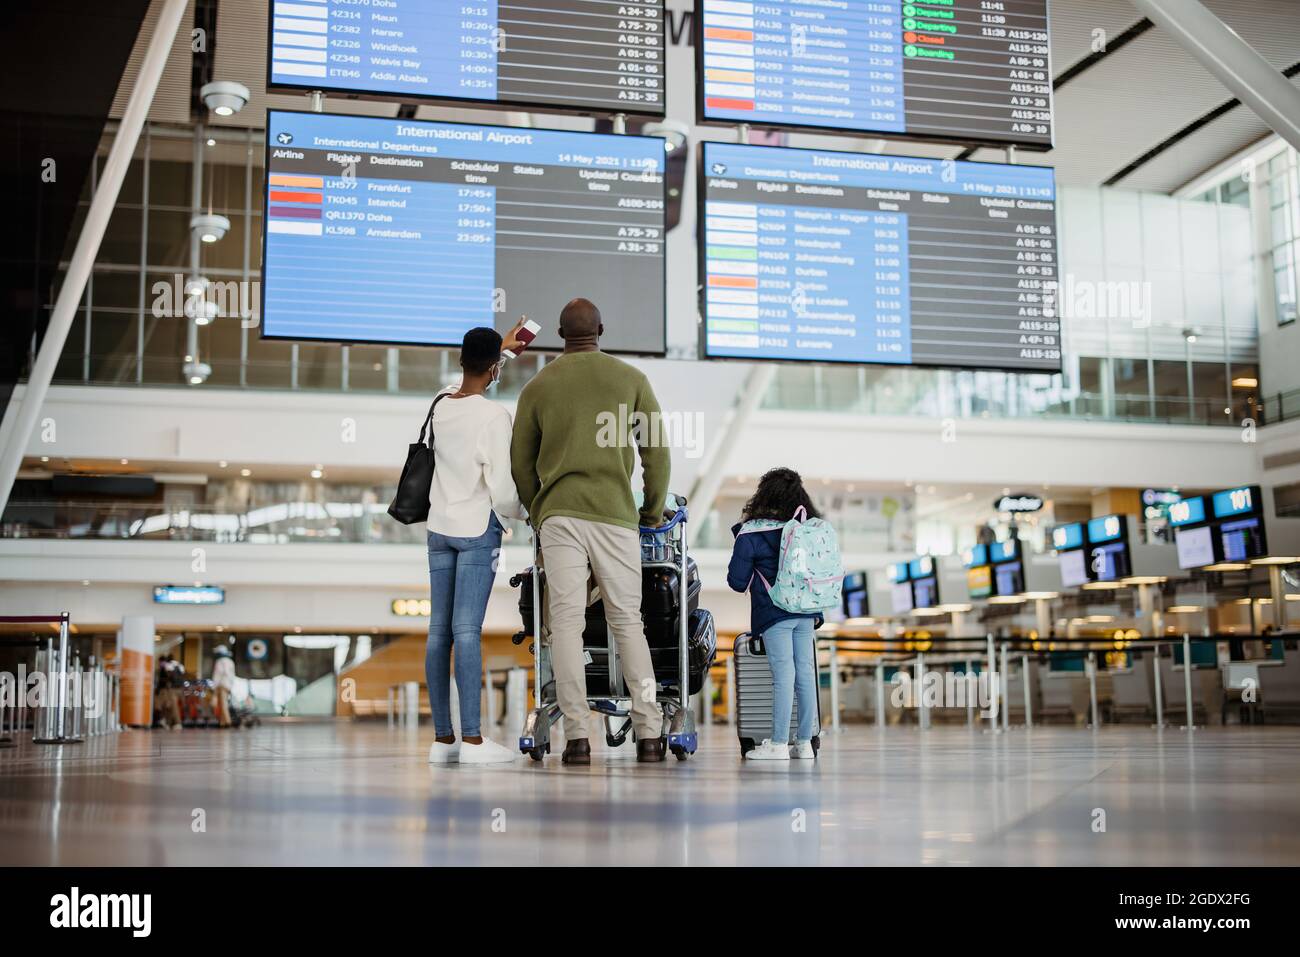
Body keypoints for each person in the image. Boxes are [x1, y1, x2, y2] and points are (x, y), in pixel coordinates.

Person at [510, 298, 671, 765]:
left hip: (559, 516)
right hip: (616, 517)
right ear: (601, 328)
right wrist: (653, 510)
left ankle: (577, 738)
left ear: (560, 333)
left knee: (564, 625)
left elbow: (521, 462)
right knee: (628, 623)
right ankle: (649, 732)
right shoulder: (632, 381)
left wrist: (538, 509)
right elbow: (656, 452)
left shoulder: (538, 387)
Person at [425, 326, 527, 765]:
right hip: (474, 530)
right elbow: (503, 489)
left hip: (438, 528)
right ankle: (472, 742)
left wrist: (496, 352)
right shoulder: (494, 417)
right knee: (467, 631)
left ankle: (442, 740)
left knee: (438, 632)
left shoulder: (439, 405)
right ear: (494, 369)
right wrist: (524, 513)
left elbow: (460, 386)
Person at [727, 468, 825, 761]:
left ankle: (779, 744)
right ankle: (804, 743)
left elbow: (737, 582)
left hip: (774, 613)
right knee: (805, 674)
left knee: (784, 676)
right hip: (807, 610)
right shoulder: (807, 527)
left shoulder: (753, 532)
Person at [211, 645, 236, 729]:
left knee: (223, 704)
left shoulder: (220, 662)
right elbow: (232, 675)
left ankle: (228, 722)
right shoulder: (230, 661)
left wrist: (214, 686)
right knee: (222, 704)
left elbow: (218, 675)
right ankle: (222, 722)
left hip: (221, 685)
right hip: (228, 685)